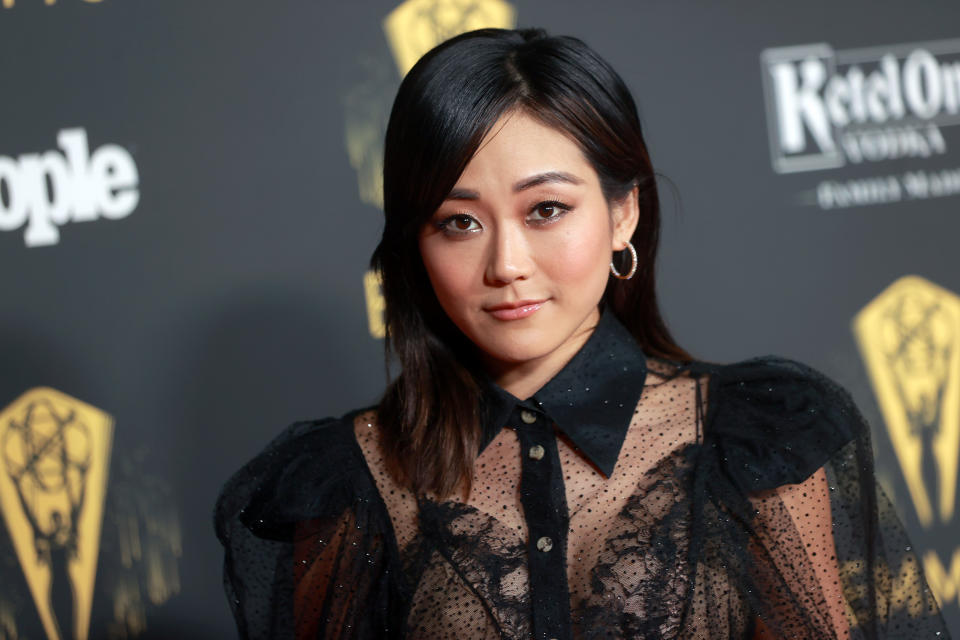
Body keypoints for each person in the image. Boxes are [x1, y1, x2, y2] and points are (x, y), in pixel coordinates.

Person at [213, 27, 950, 639]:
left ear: (622, 212)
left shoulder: (757, 441)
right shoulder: (341, 483)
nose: (506, 264)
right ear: (416, 243)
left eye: (546, 210)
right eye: (458, 222)